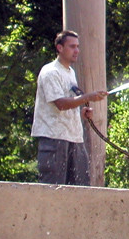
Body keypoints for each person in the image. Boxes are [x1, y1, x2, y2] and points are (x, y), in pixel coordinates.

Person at [31, 30, 108, 185]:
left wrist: (81, 112)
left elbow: (68, 103)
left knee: (80, 187)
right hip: (54, 139)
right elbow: (60, 104)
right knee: (54, 189)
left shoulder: (70, 72)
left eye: (78, 46)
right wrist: (87, 97)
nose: (77, 51)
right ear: (60, 48)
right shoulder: (50, 72)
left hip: (74, 138)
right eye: (72, 46)